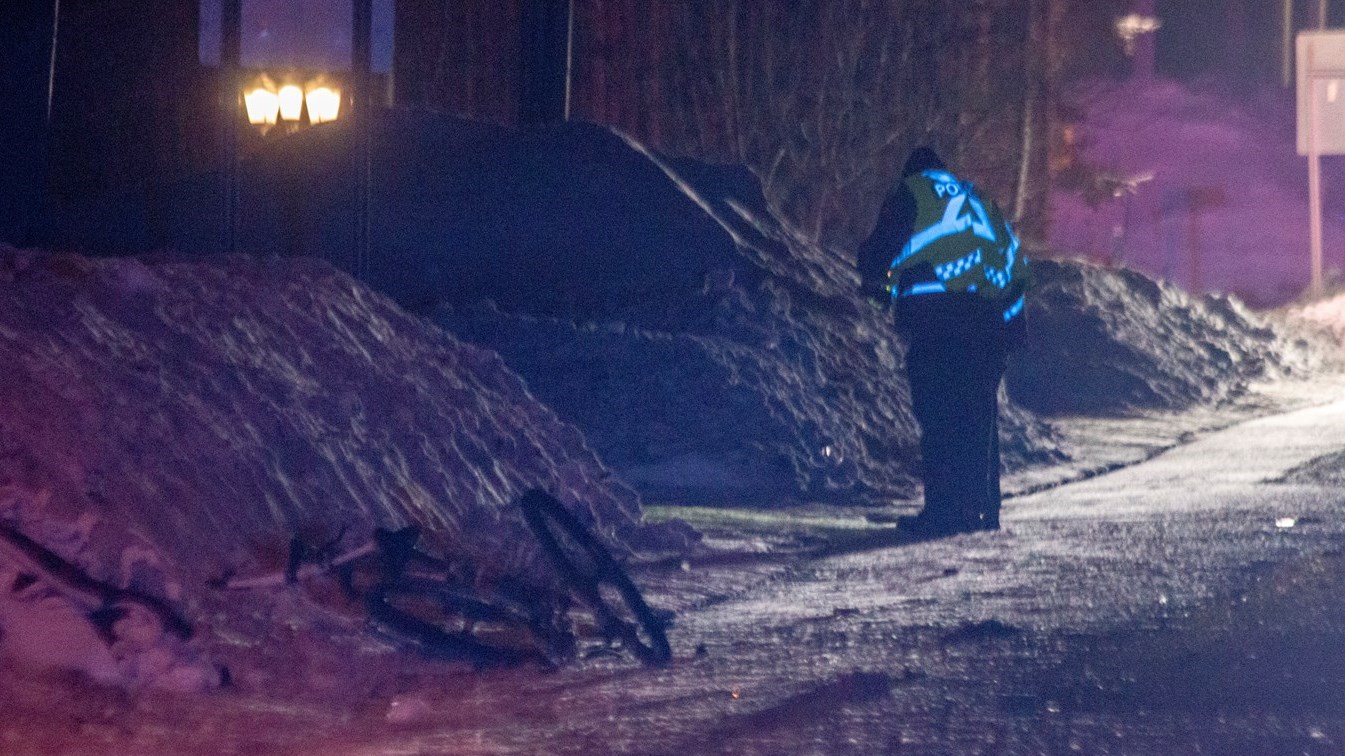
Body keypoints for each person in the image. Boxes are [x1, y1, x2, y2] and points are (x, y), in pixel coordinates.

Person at [856, 147, 1029, 538]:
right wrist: (1014, 325)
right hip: (990, 326)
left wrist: (878, 286)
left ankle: (947, 513)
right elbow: (1011, 260)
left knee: (942, 418)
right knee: (979, 417)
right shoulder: (978, 199)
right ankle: (984, 509)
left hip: (941, 327)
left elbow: (881, 252)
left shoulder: (911, 195)